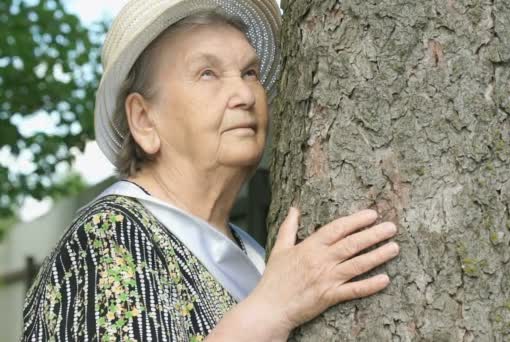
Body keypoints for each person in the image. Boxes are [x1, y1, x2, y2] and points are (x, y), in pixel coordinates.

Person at [21, 0, 400, 341]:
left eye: (249, 72)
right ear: (144, 119)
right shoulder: (106, 239)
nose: (245, 95)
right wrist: (272, 308)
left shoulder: (252, 253)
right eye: (207, 73)